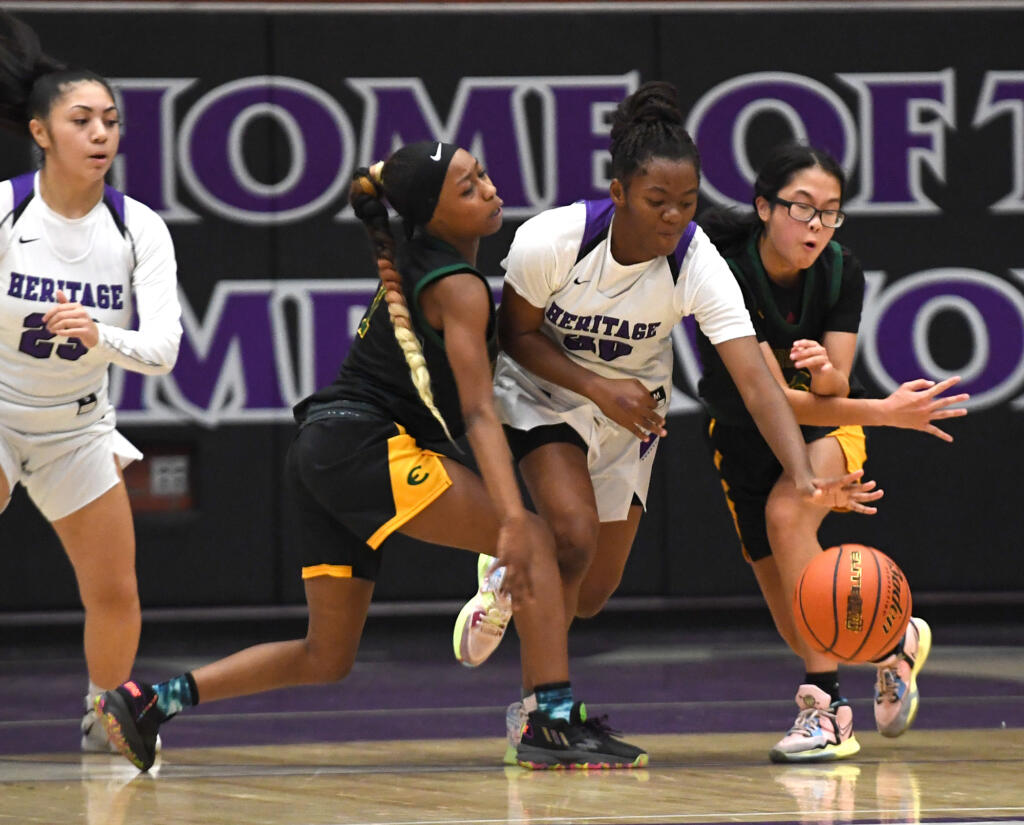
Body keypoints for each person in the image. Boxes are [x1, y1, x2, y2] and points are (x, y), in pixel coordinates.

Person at [95, 141, 648, 772]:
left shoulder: (423, 264)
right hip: (361, 445)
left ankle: (150, 701)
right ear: (432, 218)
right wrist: (511, 517)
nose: (490, 190)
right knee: (538, 543)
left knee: (326, 657)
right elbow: (475, 412)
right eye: (467, 189)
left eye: (483, 175)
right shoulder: (459, 286)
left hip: (320, 451)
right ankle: (548, 722)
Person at [451, 82, 878, 763]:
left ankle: (508, 580)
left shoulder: (697, 260)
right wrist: (596, 384)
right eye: (657, 202)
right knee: (571, 530)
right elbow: (517, 336)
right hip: (544, 392)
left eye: (687, 202)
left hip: (630, 416)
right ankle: (543, 718)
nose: (674, 216)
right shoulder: (552, 240)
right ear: (618, 192)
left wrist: (804, 476)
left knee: (588, 593)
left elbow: (756, 381)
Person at [697, 142, 968, 762]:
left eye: (830, 211)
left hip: (828, 432)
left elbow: (835, 388)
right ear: (764, 208)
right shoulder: (726, 273)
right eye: (801, 209)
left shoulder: (843, 268)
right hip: (743, 440)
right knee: (803, 626)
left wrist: (824, 372)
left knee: (788, 514)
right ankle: (892, 645)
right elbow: (772, 402)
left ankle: (825, 712)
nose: (816, 225)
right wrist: (890, 414)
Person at [0, 13, 182, 752]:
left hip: (78, 426)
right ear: (42, 133)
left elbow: (163, 348)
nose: (101, 132)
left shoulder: (137, 226)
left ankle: (102, 716)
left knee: (114, 592)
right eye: (82, 120)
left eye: (110, 119)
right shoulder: (7, 210)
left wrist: (97, 333)